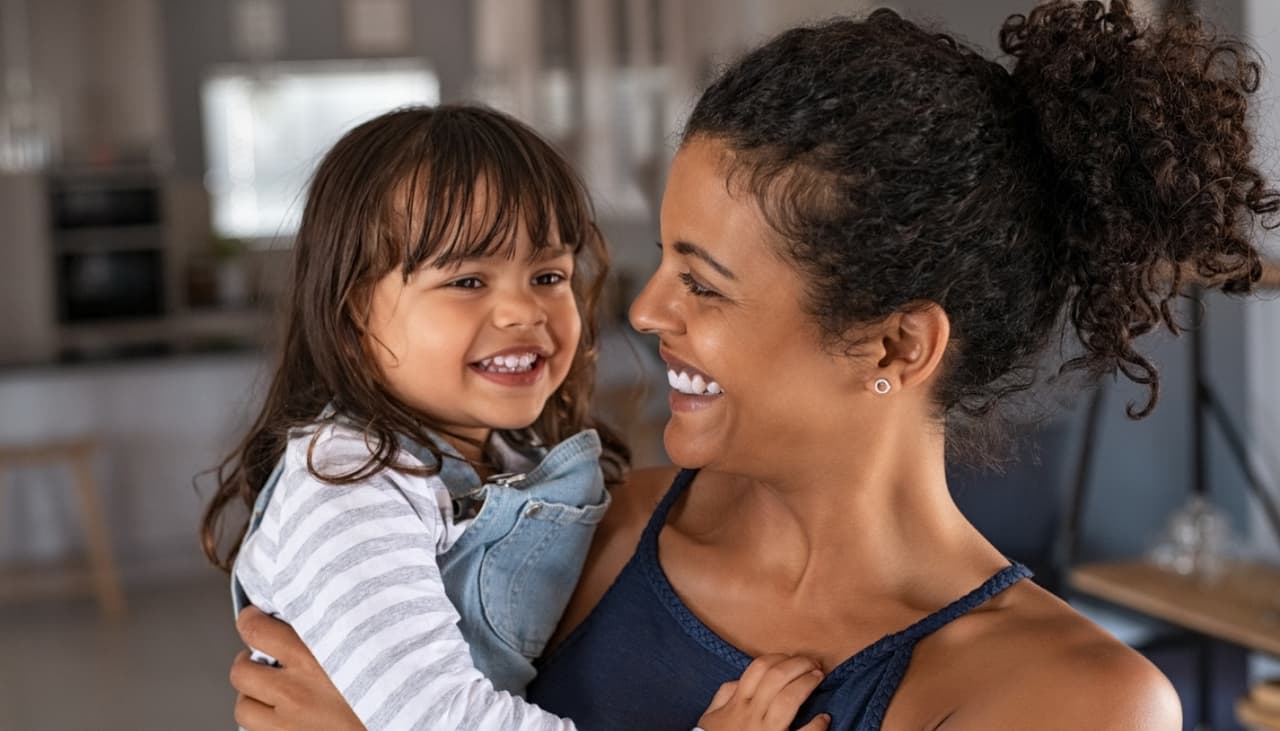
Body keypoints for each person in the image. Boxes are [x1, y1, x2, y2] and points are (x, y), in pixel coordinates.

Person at [227, 2, 1279, 729]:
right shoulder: (578, 531)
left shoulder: (1072, 699)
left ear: (895, 343)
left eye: (704, 282)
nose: (640, 310)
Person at [201, 105, 829, 731]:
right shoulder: (353, 483)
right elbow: (441, 718)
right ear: (352, 316)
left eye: (548, 274)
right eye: (469, 281)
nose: (523, 310)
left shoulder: (507, 460)